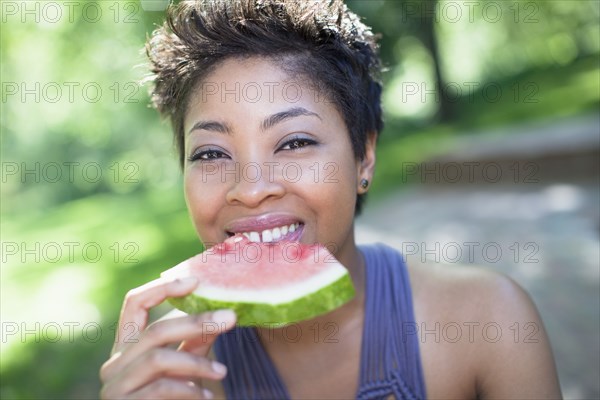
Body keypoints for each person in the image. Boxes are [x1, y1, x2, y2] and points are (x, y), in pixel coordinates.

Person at [99, 0, 562, 398]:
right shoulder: (174, 371)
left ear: (364, 156)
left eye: (295, 142)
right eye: (212, 152)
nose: (252, 188)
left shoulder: (487, 323)